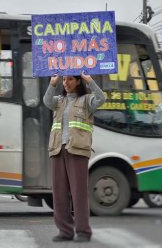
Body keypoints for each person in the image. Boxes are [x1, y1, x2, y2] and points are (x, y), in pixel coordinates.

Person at [43, 71, 106, 243]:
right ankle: (65, 231)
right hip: (57, 149)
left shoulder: (87, 101)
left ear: (78, 81)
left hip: (77, 150)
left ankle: (83, 231)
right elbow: (46, 101)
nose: (66, 83)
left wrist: (90, 80)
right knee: (59, 193)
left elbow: (101, 98)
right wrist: (52, 83)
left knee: (79, 193)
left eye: (70, 79)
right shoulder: (59, 101)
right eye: (64, 79)